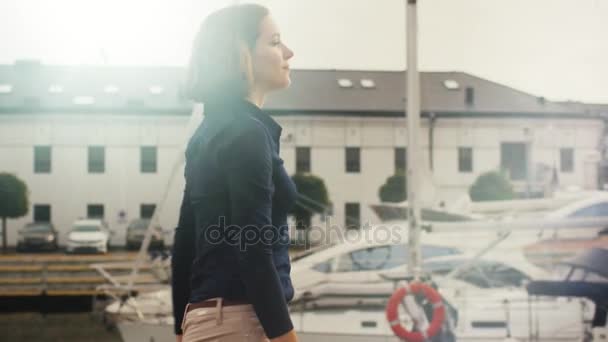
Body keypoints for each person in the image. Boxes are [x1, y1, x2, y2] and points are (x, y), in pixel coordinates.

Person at [171, 3, 298, 342]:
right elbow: (253, 248)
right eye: (274, 42)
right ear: (241, 54)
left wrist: (181, 327)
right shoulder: (247, 133)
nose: (288, 52)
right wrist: (285, 338)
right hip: (243, 323)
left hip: (207, 322)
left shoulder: (207, 133)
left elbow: (186, 242)